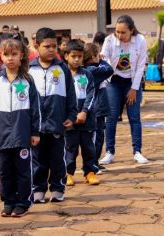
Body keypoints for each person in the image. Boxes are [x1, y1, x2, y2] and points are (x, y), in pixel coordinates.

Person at [0, 38, 40, 217]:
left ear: (22, 56)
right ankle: (9, 201)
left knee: (23, 170)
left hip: (22, 135)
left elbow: (35, 108)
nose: (10, 58)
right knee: (5, 171)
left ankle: (23, 202)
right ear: (1, 57)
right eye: (6, 54)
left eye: (14, 54)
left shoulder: (28, 80)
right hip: (2, 136)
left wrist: (35, 132)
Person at [29, 27, 77, 203]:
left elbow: (71, 96)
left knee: (57, 159)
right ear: (36, 45)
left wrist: (71, 116)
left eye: (54, 46)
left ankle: (57, 188)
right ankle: (38, 189)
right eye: (46, 46)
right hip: (36, 127)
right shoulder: (28, 70)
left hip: (57, 124)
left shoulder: (62, 69)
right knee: (38, 159)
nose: (51, 50)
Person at [99, 15, 149, 165]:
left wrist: (134, 88)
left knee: (134, 117)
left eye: (123, 33)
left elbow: (141, 65)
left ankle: (137, 152)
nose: (119, 36)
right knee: (111, 117)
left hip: (132, 82)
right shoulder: (109, 41)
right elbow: (103, 59)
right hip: (113, 82)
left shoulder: (140, 40)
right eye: (117, 32)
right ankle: (109, 152)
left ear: (131, 30)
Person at [63, 39, 100, 186]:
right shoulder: (62, 75)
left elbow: (91, 94)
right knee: (70, 147)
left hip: (87, 118)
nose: (77, 59)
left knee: (88, 146)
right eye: (73, 56)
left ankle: (90, 172)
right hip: (69, 118)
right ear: (66, 56)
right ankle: (68, 173)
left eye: (79, 56)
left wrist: (84, 112)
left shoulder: (87, 75)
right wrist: (70, 116)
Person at [83, 42, 114, 173]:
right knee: (96, 137)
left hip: (98, 108)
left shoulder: (91, 68)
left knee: (99, 136)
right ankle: (91, 165)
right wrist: (102, 60)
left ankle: (94, 162)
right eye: (97, 55)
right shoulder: (92, 70)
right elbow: (110, 69)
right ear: (94, 55)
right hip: (96, 108)